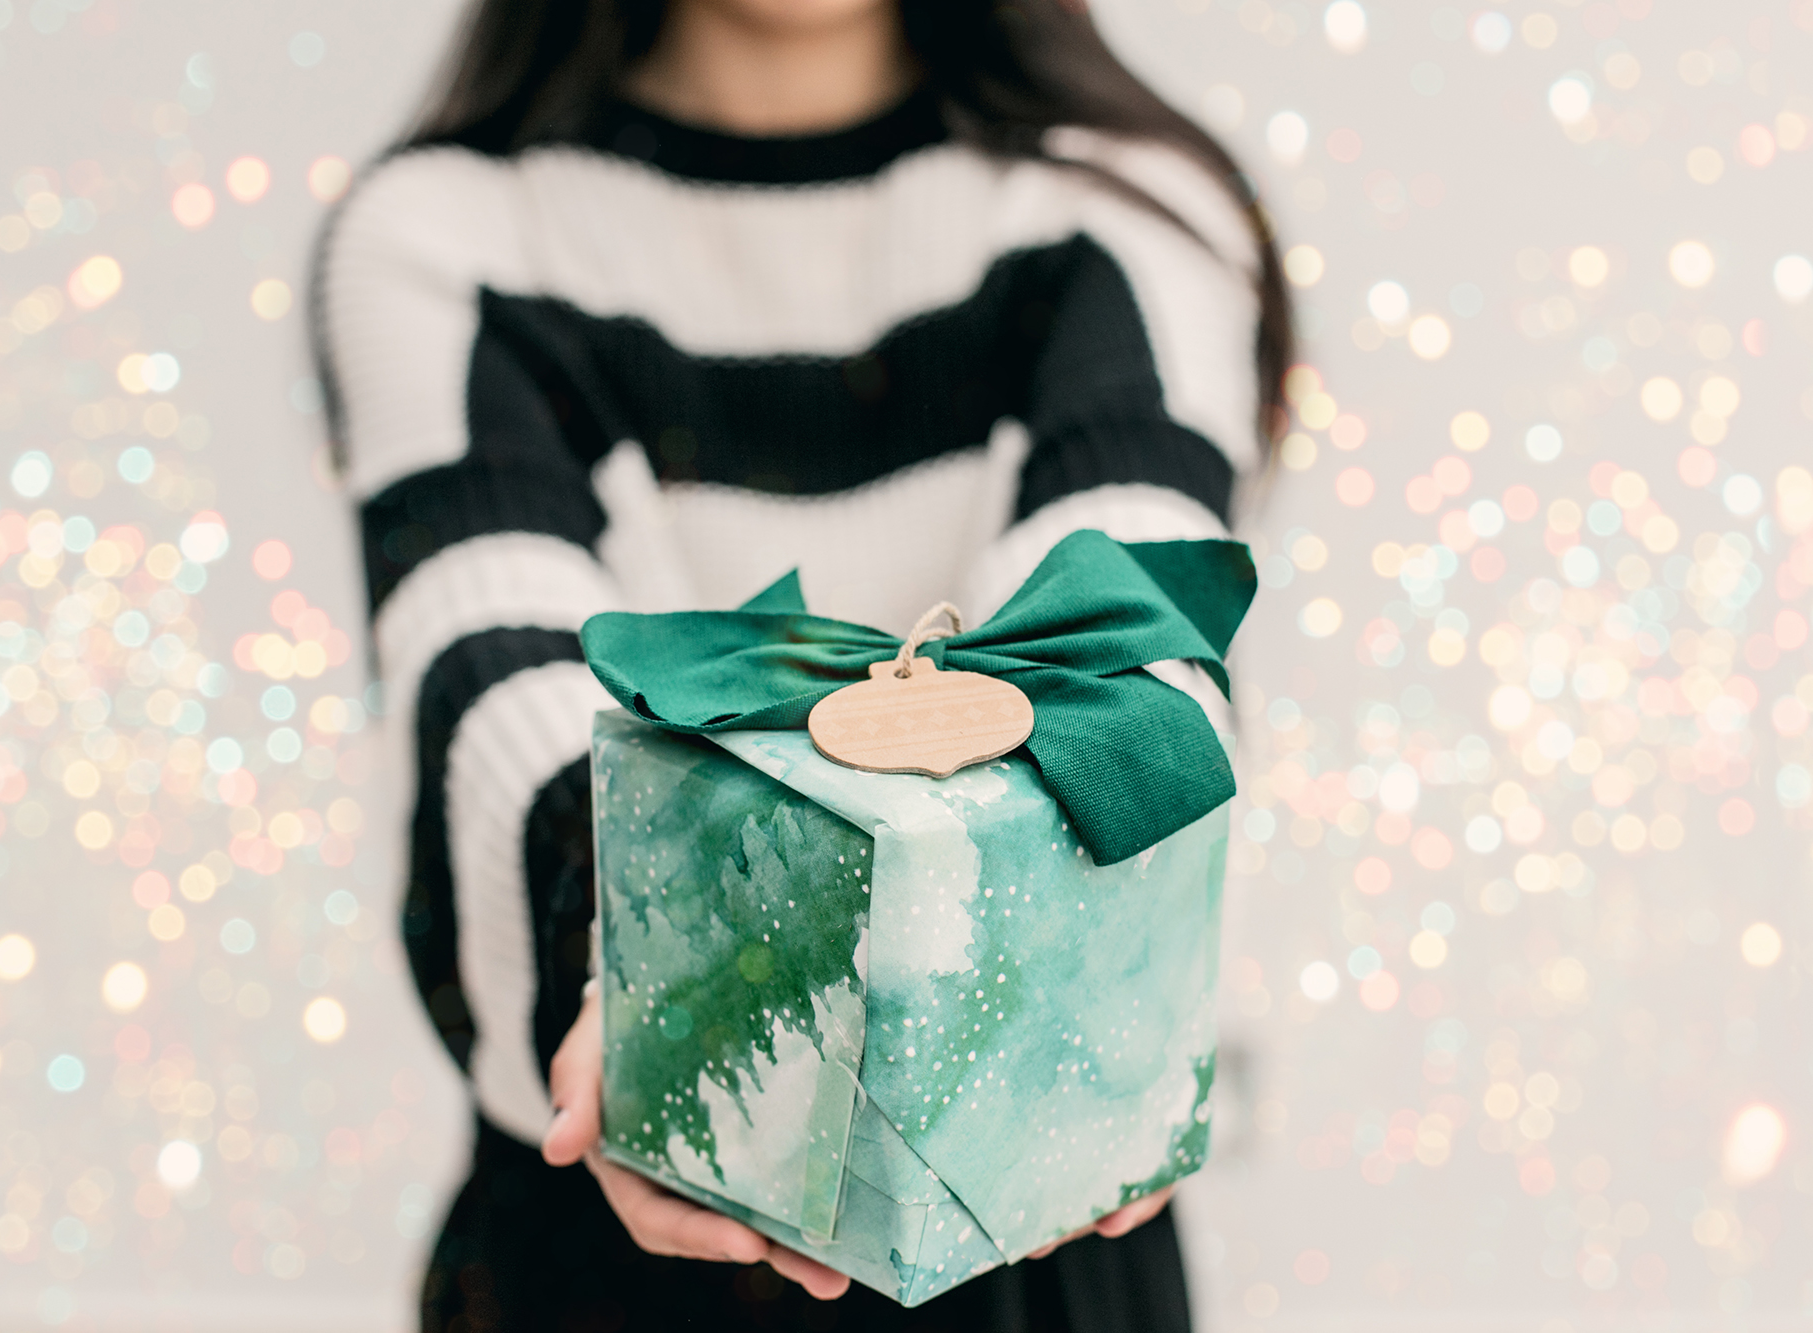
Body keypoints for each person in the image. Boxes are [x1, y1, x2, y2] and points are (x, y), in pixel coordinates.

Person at [315, 0, 1289, 1327]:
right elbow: (490, 679)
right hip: (623, 1166)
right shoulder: (445, 235)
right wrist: (645, 964)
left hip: (1028, 1207)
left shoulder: (1131, 212)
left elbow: (1128, 602)